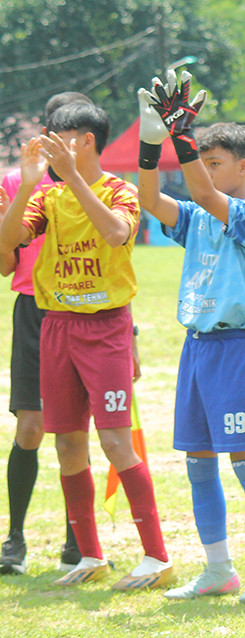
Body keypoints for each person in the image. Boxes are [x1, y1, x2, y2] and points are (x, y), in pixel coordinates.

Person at [0, 101, 173, 589]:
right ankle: (89, 556)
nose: (51, 145)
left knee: (116, 441)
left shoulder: (119, 191)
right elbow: (6, 245)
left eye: (61, 137)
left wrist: (72, 178)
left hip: (106, 328)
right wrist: (31, 183)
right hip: (56, 326)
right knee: (68, 442)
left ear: (86, 141)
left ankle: (156, 557)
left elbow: (117, 233)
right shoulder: (46, 197)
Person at [136, 70, 245, 603]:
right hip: (196, 350)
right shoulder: (196, 216)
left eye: (217, 162)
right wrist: (153, 141)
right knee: (198, 466)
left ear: (243, 167)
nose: (207, 171)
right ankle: (218, 569)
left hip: (235, 350)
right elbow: (150, 198)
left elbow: (198, 186)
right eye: (205, 160)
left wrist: (183, 138)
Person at [0, 91, 94, 575]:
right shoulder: (18, 181)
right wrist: (23, 192)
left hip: (88, 310)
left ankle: (78, 539)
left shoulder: (97, 184)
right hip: (35, 312)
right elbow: (5, 261)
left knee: (77, 432)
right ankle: (14, 539)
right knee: (31, 428)